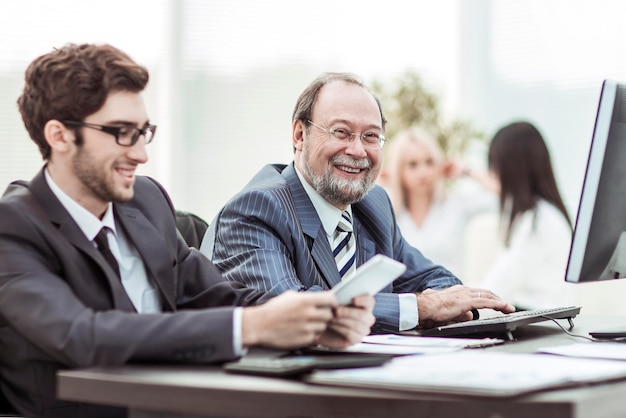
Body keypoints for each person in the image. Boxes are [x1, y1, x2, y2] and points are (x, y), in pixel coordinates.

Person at [0, 44, 375, 418]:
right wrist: (252, 327)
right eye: (121, 133)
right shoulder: (14, 227)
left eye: (143, 132)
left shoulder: (144, 201)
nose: (140, 154)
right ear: (59, 136)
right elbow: (83, 336)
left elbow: (218, 297)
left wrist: (310, 321)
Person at [200, 72, 515, 335]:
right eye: (341, 132)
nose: (357, 150)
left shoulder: (373, 202)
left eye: (370, 136)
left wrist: (448, 304)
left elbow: (434, 280)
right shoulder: (257, 211)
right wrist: (421, 308)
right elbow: (294, 313)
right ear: (299, 134)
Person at [478, 121, 576, 310]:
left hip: (539, 320)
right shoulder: (542, 213)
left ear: (509, 169)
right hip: (543, 319)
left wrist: (454, 300)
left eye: (495, 165)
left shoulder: (538, 222)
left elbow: (498, 285)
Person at [382, 126, 498, 276]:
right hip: (409, 298)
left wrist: (467, 171)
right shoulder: (387, 211)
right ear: (398, 170)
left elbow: (502, 197)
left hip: (454, 294)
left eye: (429, 162)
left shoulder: (456, 203)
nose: (423, 172)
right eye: (413, 165)